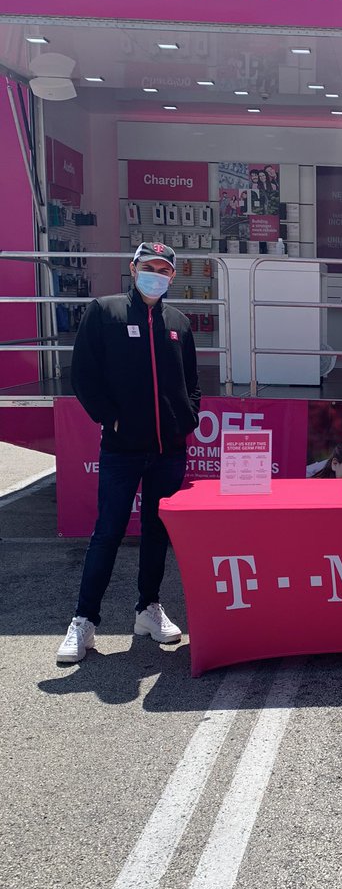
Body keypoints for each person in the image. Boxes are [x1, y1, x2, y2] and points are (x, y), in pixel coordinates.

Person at [57, 241, 201, 663]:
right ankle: (84, 621)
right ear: (134, 269)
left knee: (157, 532)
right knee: (108, 532)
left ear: (172, 276)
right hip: (122, 449)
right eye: (149, 267)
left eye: (164, 269)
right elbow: (83, 375)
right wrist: (111, 418)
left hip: (168, 450)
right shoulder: (105, 312)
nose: (156, 274)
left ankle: (148, 609)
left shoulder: (179, 322)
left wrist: (187, 419)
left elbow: (191, 381)